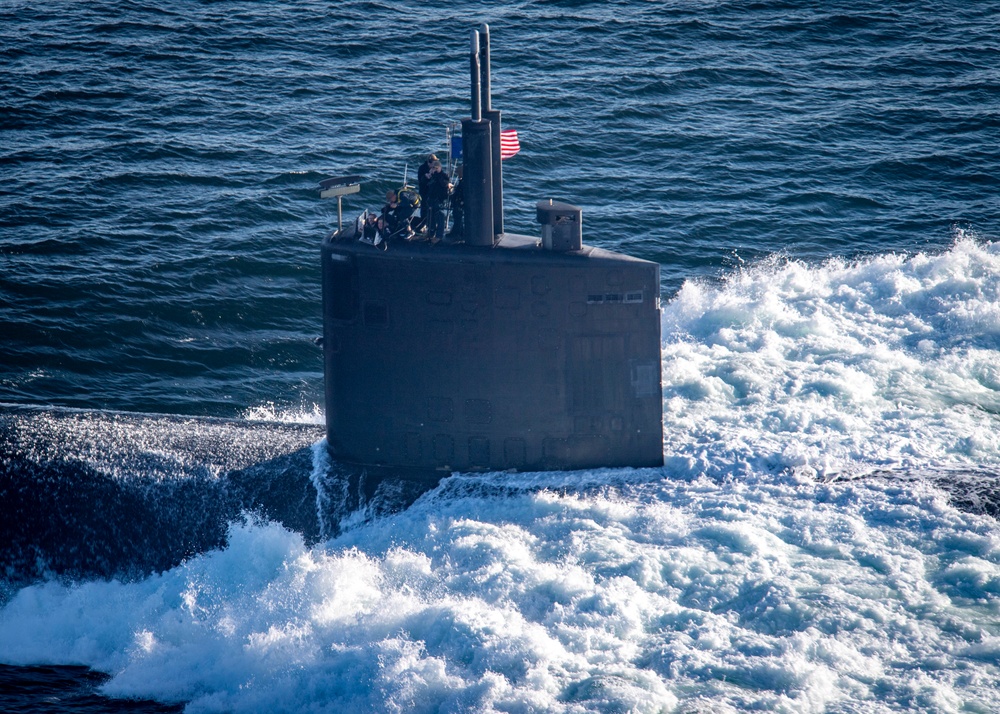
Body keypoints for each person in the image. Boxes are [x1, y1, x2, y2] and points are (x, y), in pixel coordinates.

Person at [424, 160, 451, 243]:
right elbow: (424, 184)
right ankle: (430, 233)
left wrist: (436, 174)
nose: (435, 169)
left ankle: (439, 235)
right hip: (431, 198)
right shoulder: (432, 176)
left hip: (440, 200)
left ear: (440, 168)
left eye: (437, 168)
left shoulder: (443, 175)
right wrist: (427, 176)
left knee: (440, 217)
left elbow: (444, 184)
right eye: (433, 168)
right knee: (430, 216)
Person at [416, 153, 438, 232]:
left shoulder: (435, 169)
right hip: (424, 191)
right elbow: (421, 181)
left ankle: (432, 225)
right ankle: (423, 224)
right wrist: (427, 176)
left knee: (433, 210)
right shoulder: (422, 168)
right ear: (429, 162)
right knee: (424, 208)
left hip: (433, 193)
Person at [446, 164, 464, 242]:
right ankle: (458, 232)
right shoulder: (462, 182)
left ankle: (457, 233)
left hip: (459, 204)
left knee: (458, 219)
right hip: (458, 203)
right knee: (457, 219)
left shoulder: (463, 183)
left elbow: (460, 194)